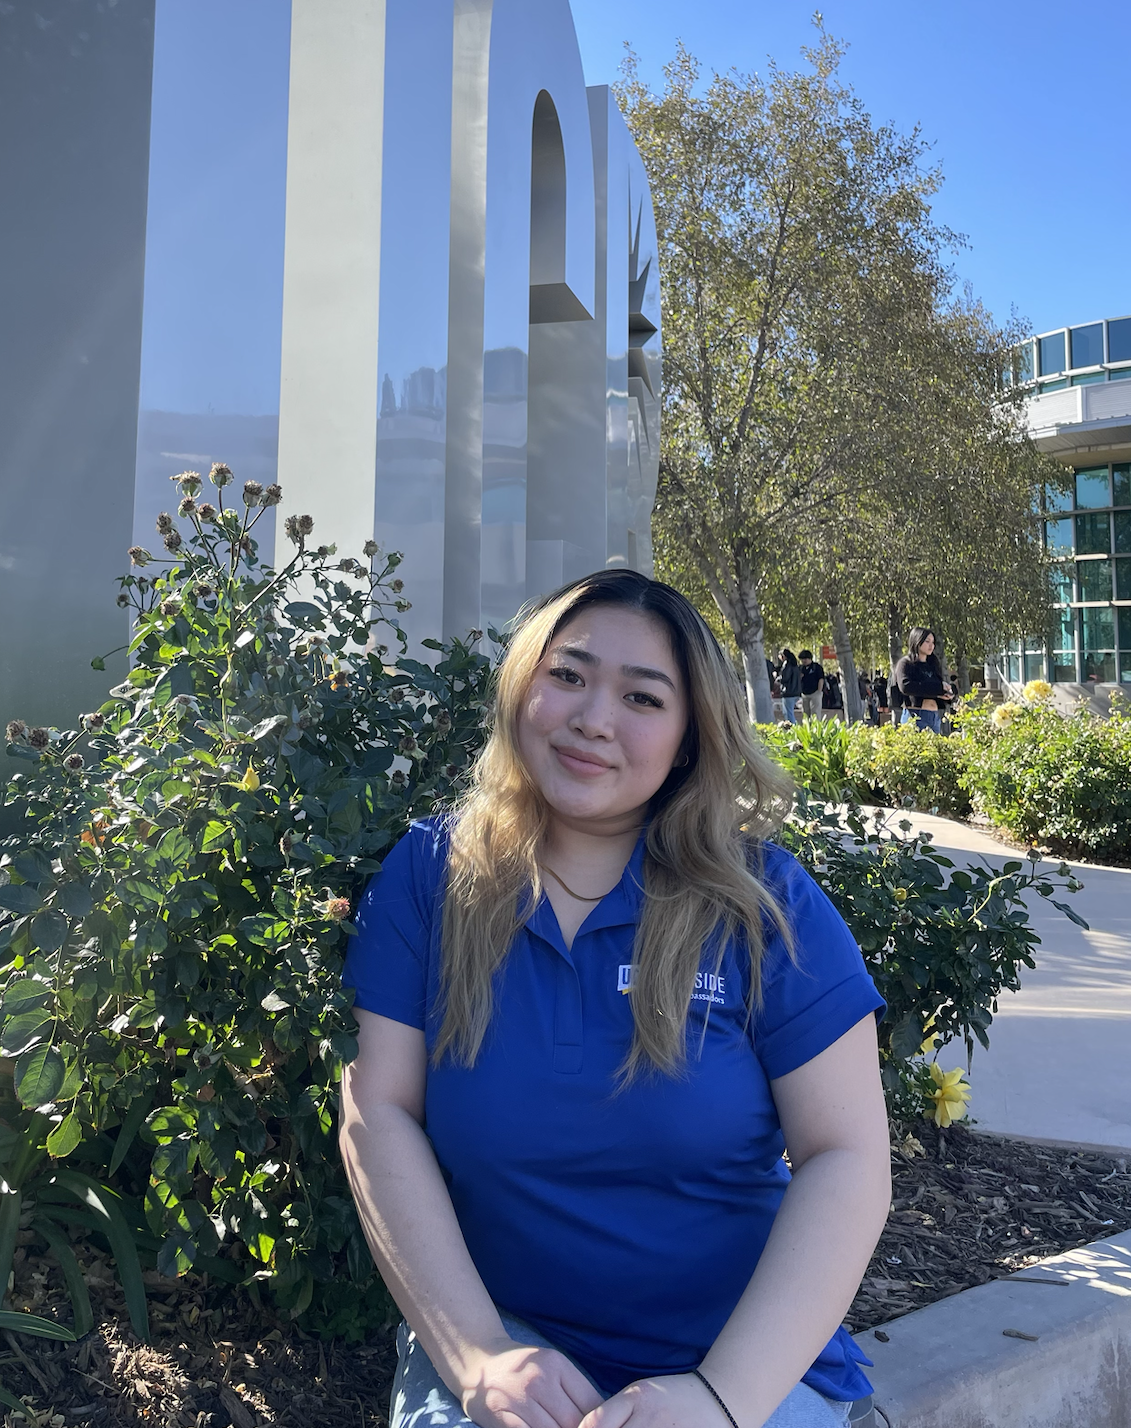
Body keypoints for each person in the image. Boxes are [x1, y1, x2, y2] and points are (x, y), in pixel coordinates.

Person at [340, 569, 890, 1428]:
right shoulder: (430, 877)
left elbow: (846, 1157)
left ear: (689, 738)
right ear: (522, 686)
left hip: (741, 1359)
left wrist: (722, 1398)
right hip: (509, 1337)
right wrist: (478, 1354)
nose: (594, 718)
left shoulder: (764, 906)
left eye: (642, 697)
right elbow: (378, 1112)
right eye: (568, 675)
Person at [892, 628, 952, 733]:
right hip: (915, 715)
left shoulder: (933, 663)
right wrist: (937, 688)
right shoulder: (906, 663)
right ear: (917, 641)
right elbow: (906, 687)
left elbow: (937, 686)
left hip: (934, 716)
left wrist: (945, 693)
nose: (931, 646)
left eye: (933, 642)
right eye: (927, 641)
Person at [797, 650, 825, 719]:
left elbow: (821, 679)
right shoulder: (801, 668)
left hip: (815, 692)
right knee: (805, 713)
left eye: (805, 659)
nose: (803, 661)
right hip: (804, 693)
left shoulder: (816, 667)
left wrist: (819, 691)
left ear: (809, 658)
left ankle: (816, 725)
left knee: (815, 712)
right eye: (802, 659)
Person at [777, 648, 802, 724]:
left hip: (788, 692)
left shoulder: (787, 665)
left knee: (788, 713)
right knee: (790, 712)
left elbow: (785, 678)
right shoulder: (795, 665)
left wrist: (778, 678)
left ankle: (792, 727)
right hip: (796, 691)